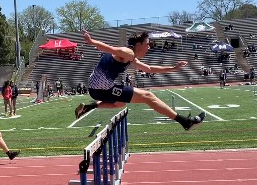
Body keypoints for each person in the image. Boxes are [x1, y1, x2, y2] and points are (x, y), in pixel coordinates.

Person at [75, 30, 206, 131]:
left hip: (97, 89)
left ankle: (89, 106)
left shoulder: (131, 56)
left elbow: (149, 68)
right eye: (147, 44)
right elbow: (111, 49)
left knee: (120, 104)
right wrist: (91, 41)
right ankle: (186, 122)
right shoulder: (128, 52)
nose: (149, 47)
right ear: (138, 44)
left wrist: (173, 68)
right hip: (102, 87)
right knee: (148, 96)